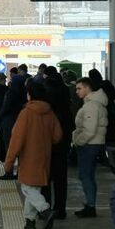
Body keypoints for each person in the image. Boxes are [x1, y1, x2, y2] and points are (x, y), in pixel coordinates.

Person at [3, 80, 62, 229]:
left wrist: (8, 162)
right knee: (33, 189)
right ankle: (30, 221)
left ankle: (45, 210)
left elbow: (16, 139)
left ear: (30, 95)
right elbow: (57, 136)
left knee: (27, 188)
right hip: (44, 157)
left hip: (29, 158)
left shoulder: (26, 113)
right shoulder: (50, 112)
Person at [72, 77, 108, 218]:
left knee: (85, 175)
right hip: (94, 144)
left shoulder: (91, 106)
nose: (77, 91)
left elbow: (89, 130)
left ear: (87, 88)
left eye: (79, 88)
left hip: (89, 145)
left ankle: (91, 206)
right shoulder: (94, 104)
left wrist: (78, 141)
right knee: (89, 176)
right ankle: (90, 204)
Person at [42, 67, 73, 218]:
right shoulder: (65, 93)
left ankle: (46, 208)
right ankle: (60, 209)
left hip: (47, 142)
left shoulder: (45, 93)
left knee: (45, 177)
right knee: (61, 178)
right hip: (63, 142)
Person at [0, 67, 28, 180]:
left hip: (9, 122)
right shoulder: (25, 94)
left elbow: (5, 108)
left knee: (9, 148)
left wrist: (1, 114)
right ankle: (20, 172)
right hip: (21, 122)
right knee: (21, 148)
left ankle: (9, 172)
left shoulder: (11, 93)